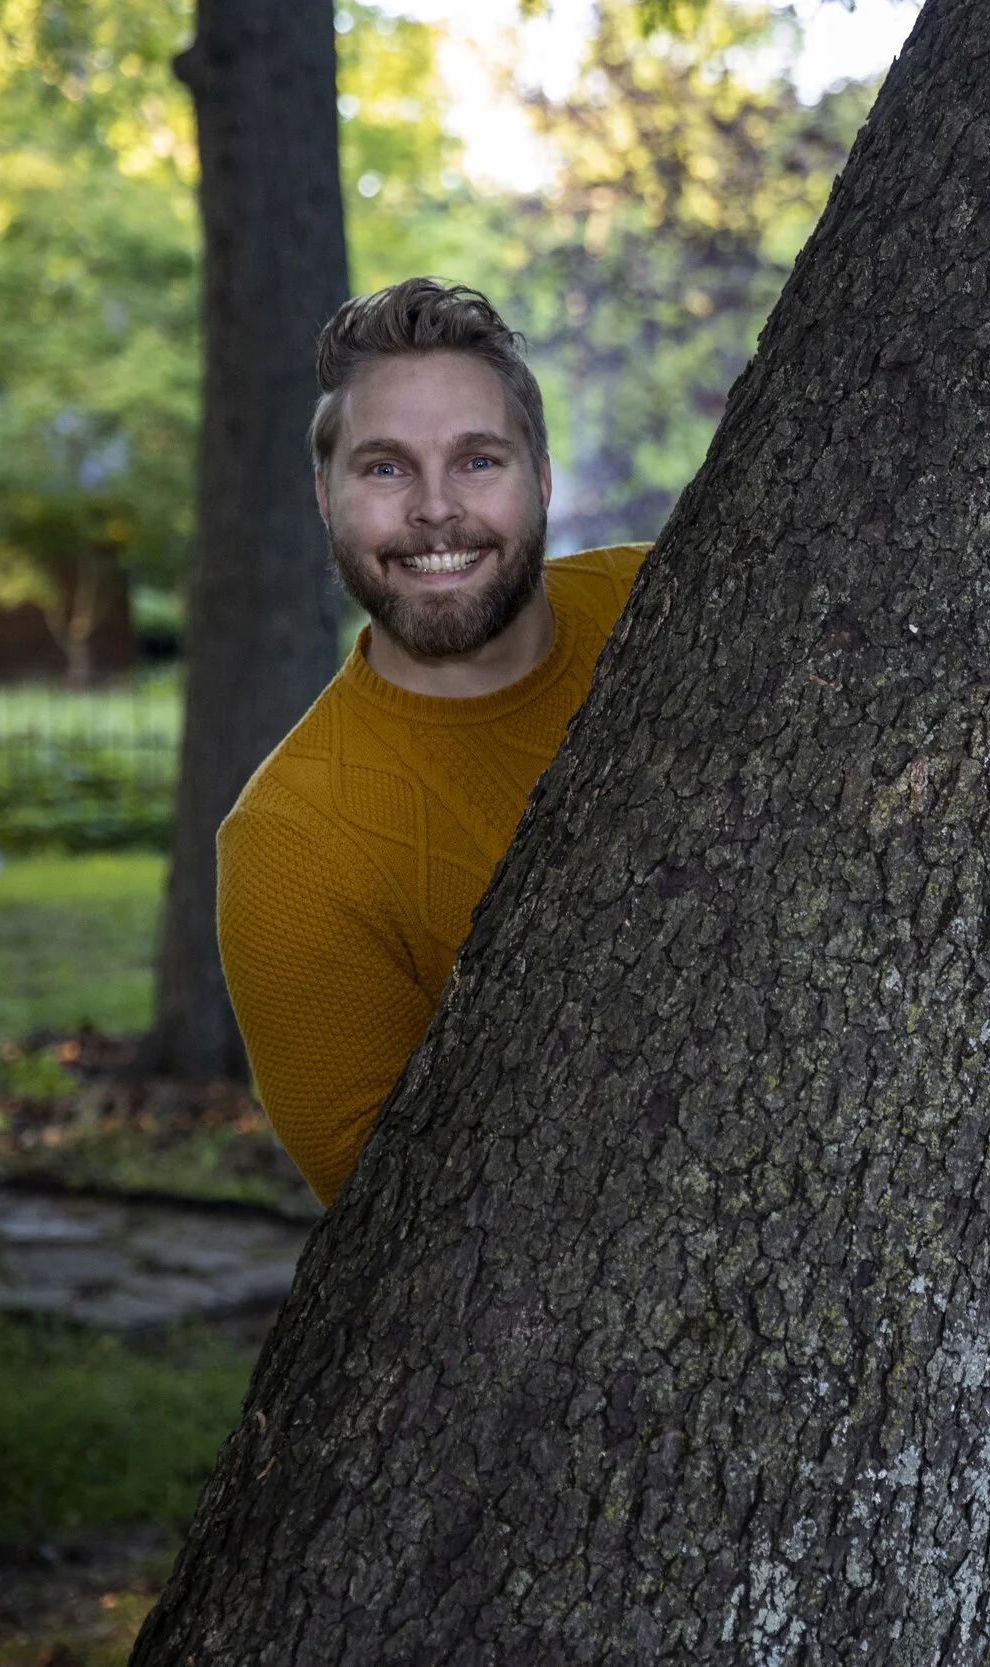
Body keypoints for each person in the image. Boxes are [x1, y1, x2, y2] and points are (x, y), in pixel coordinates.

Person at [217, 277, 648, 1206]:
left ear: (541, 474)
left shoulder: (663, 605)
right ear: (324, 496)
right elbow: (399, 1227)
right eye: (384, 468)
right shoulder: (290, 846)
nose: (435, 510)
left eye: (477, 460)